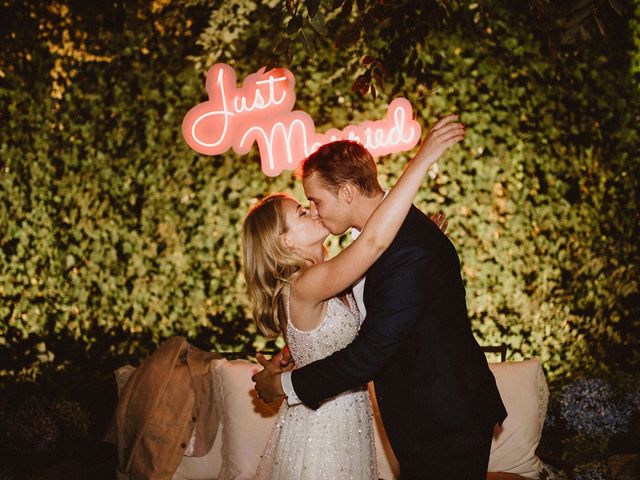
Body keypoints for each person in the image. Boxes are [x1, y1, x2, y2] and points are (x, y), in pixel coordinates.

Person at [252, 117, 508, 479]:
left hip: (444, 422)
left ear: (346, 193)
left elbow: (368, 352)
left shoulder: (405, 250)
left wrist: (283, 383)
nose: (315, 211)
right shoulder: (385, 248)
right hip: (407, 423)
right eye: (306, 206)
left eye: (315, 201)